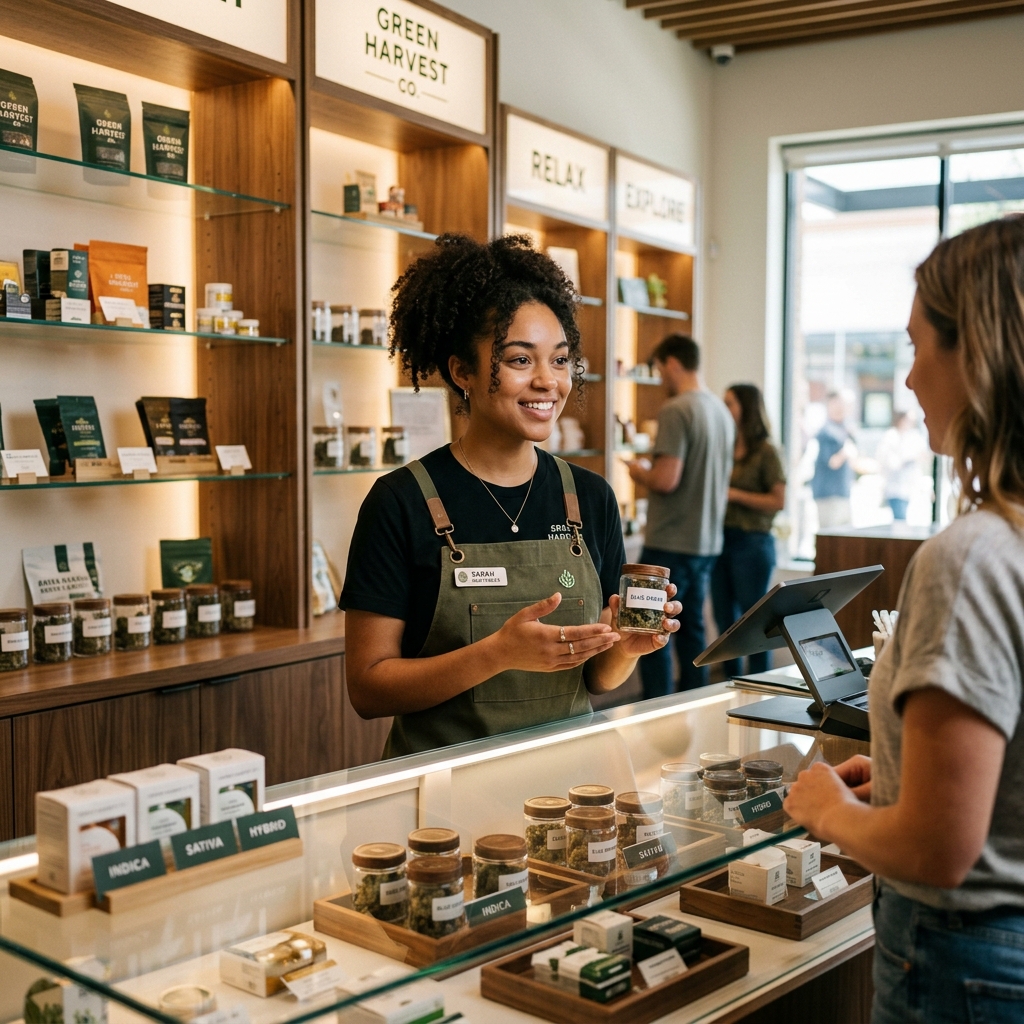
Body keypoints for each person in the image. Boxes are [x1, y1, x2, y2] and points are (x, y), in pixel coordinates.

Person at [784, 216, 1024, 1024]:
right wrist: (899, 782)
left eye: (922, 347)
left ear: (979, 358)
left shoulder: (972, 556)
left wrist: (829, 810)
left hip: (963, 961)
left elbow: (937, 850)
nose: (912, 379)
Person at [341, 234, 681, 758]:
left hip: (568, 790)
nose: (549, 382)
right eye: (521, 360)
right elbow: (368, 689)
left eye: (561, 360)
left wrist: (627, 648)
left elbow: (596, 679)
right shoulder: (400, 501)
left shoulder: (589, 498)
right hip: (441, 800)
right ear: (463, 373)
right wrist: (497, 653)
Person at [627, 334, 734, 694]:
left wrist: (639, 472)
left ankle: (654, 712)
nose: (659, 379)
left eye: (658, 369)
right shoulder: (720, 410)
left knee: (649, 633)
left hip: (668, 542)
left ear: (672, 363)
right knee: (692, 634)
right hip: (705, 542)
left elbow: (666, 479)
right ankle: (692, 709)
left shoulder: (676, 409)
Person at [710, 383, 786, 678]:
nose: (724, 409)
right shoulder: (724, 446)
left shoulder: (767, 451)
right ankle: (727, 686)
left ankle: (758, 685)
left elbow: (778, 501)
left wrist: (733, 494)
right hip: (720, 540)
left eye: (729, 403)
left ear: (746, 408)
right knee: (724, 620)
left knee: (752, 623)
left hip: (752, 544)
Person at [810, 391, 856, 529]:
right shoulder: (827, 432)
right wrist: (845, 452)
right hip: (829, 494)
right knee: (830, 537)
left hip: (842, 491)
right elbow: (832, 462)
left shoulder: (845, 429)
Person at [876, 408, 927, 521]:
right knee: (900, 521)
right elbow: (890, 462)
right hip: (895, 488)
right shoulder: (891, 436)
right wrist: (907, 459)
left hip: (910, 487)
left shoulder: (913, 437)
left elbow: (923, 456)